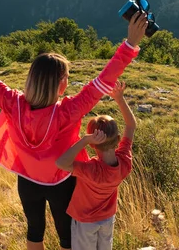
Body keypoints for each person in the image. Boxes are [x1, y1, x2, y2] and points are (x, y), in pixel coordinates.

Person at [0, 9, 147, 250]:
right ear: (62, 83)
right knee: (66, 234)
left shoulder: (11, 102)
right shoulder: (69, 111)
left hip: (27, 181)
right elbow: (103, 81)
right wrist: (130, 44)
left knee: (35, 230)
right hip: (62, 182)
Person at [55, 81, 136, 250]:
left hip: (85, 222)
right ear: (118, 138)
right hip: (107, 219)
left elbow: (61, 163)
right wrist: (120, 99)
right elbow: (131, 125)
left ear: (93, 144)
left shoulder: (90, 170)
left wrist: (83, 140)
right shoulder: (124, 162)